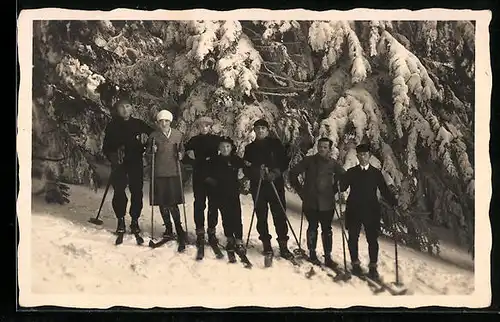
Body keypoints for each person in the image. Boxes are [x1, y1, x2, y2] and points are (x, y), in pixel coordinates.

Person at [339, 143, 399, 279]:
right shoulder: (351, 172)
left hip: (371, 210)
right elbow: (342, 187)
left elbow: (384, 190)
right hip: (354, 209)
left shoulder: (376, 173)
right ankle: (355, 264)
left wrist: (393, 202)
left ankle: (373, 266)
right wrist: (337, 183)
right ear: (357, 156)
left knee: (372, 239)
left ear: (369, 156)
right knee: (353, 238)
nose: (362, 157)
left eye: (365, 155)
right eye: (360, 155)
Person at [289, 137, 345, 268]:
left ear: (329, 149)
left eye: (325, 147)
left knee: (327, 230)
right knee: (312, 227)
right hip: (311, 201)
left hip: (327, 203)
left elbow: (343, 175)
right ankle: (312, 254)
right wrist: (301, 191)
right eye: (320, 146)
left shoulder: (333, 163)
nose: (322, 149)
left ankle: (328, 256)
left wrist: (335, 188)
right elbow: (293, 173)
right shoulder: (309, 161)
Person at [243, 119, 293, 266]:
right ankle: (266, 243)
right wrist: (256, 173)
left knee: (279, 214)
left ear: (267, 130)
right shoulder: (250, 148)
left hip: (275, 184)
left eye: (263, 128)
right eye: (257, 129)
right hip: (258, 186)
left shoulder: (275, 144)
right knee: (261, 215)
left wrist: (276, 172)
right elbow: (246, 167)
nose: (260, 131)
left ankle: (283, 245)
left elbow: (284, 161)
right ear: (254, 130)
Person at [102, 98, 154, 235]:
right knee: (119, 191)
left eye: (127, 106)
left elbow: (153, 137)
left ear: (132, 108)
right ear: (117, 110)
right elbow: (106, 147)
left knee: (137, 191)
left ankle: (135, 220)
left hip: (135, 161)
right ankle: (120, 220)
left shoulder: (139, 124)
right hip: (119, 163)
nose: (125, 110)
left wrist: (147, 140)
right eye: (121, 107)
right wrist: (113, 156)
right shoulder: (112, 126)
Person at [146, 109, 186, 252]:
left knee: (173, 202)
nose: (164, 123)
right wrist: (152, 151)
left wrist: (181, 154)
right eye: (161, 121)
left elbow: (182, 150)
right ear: (157, 123)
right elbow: (147, 155)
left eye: (167, 121)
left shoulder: (177, 135)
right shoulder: (154, 136)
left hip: (174, 172)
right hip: (158, 173)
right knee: (162, 202)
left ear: (171, 122)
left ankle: (179, 227)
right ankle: (168, 227)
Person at [184, 116, 221, 260]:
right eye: (201, 126)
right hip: (199, 177)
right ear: (198, 127)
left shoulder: (217, 140)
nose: (204, 128)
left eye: (207, 126)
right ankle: (200, 231)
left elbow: (228, 150)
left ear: (210, 127)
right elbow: (185, 157)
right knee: (199, 204)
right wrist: (188, 156)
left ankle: (211, 231)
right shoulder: (193, 140)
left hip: (213, 178)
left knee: (213, 204)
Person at [204, 136, 247, 262]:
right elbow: (205, 174)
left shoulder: (236, 159)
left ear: (231, 147)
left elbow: (245, 170)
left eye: (227, 146)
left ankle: (238, 240)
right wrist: (212, 182)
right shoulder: (213, 160)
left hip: (232, 192)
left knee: (235, 215)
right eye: (222, 146)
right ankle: (229, 238)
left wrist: (242, 178)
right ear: (219, 148)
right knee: (224, 216)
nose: (225, 149)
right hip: (217, 192)